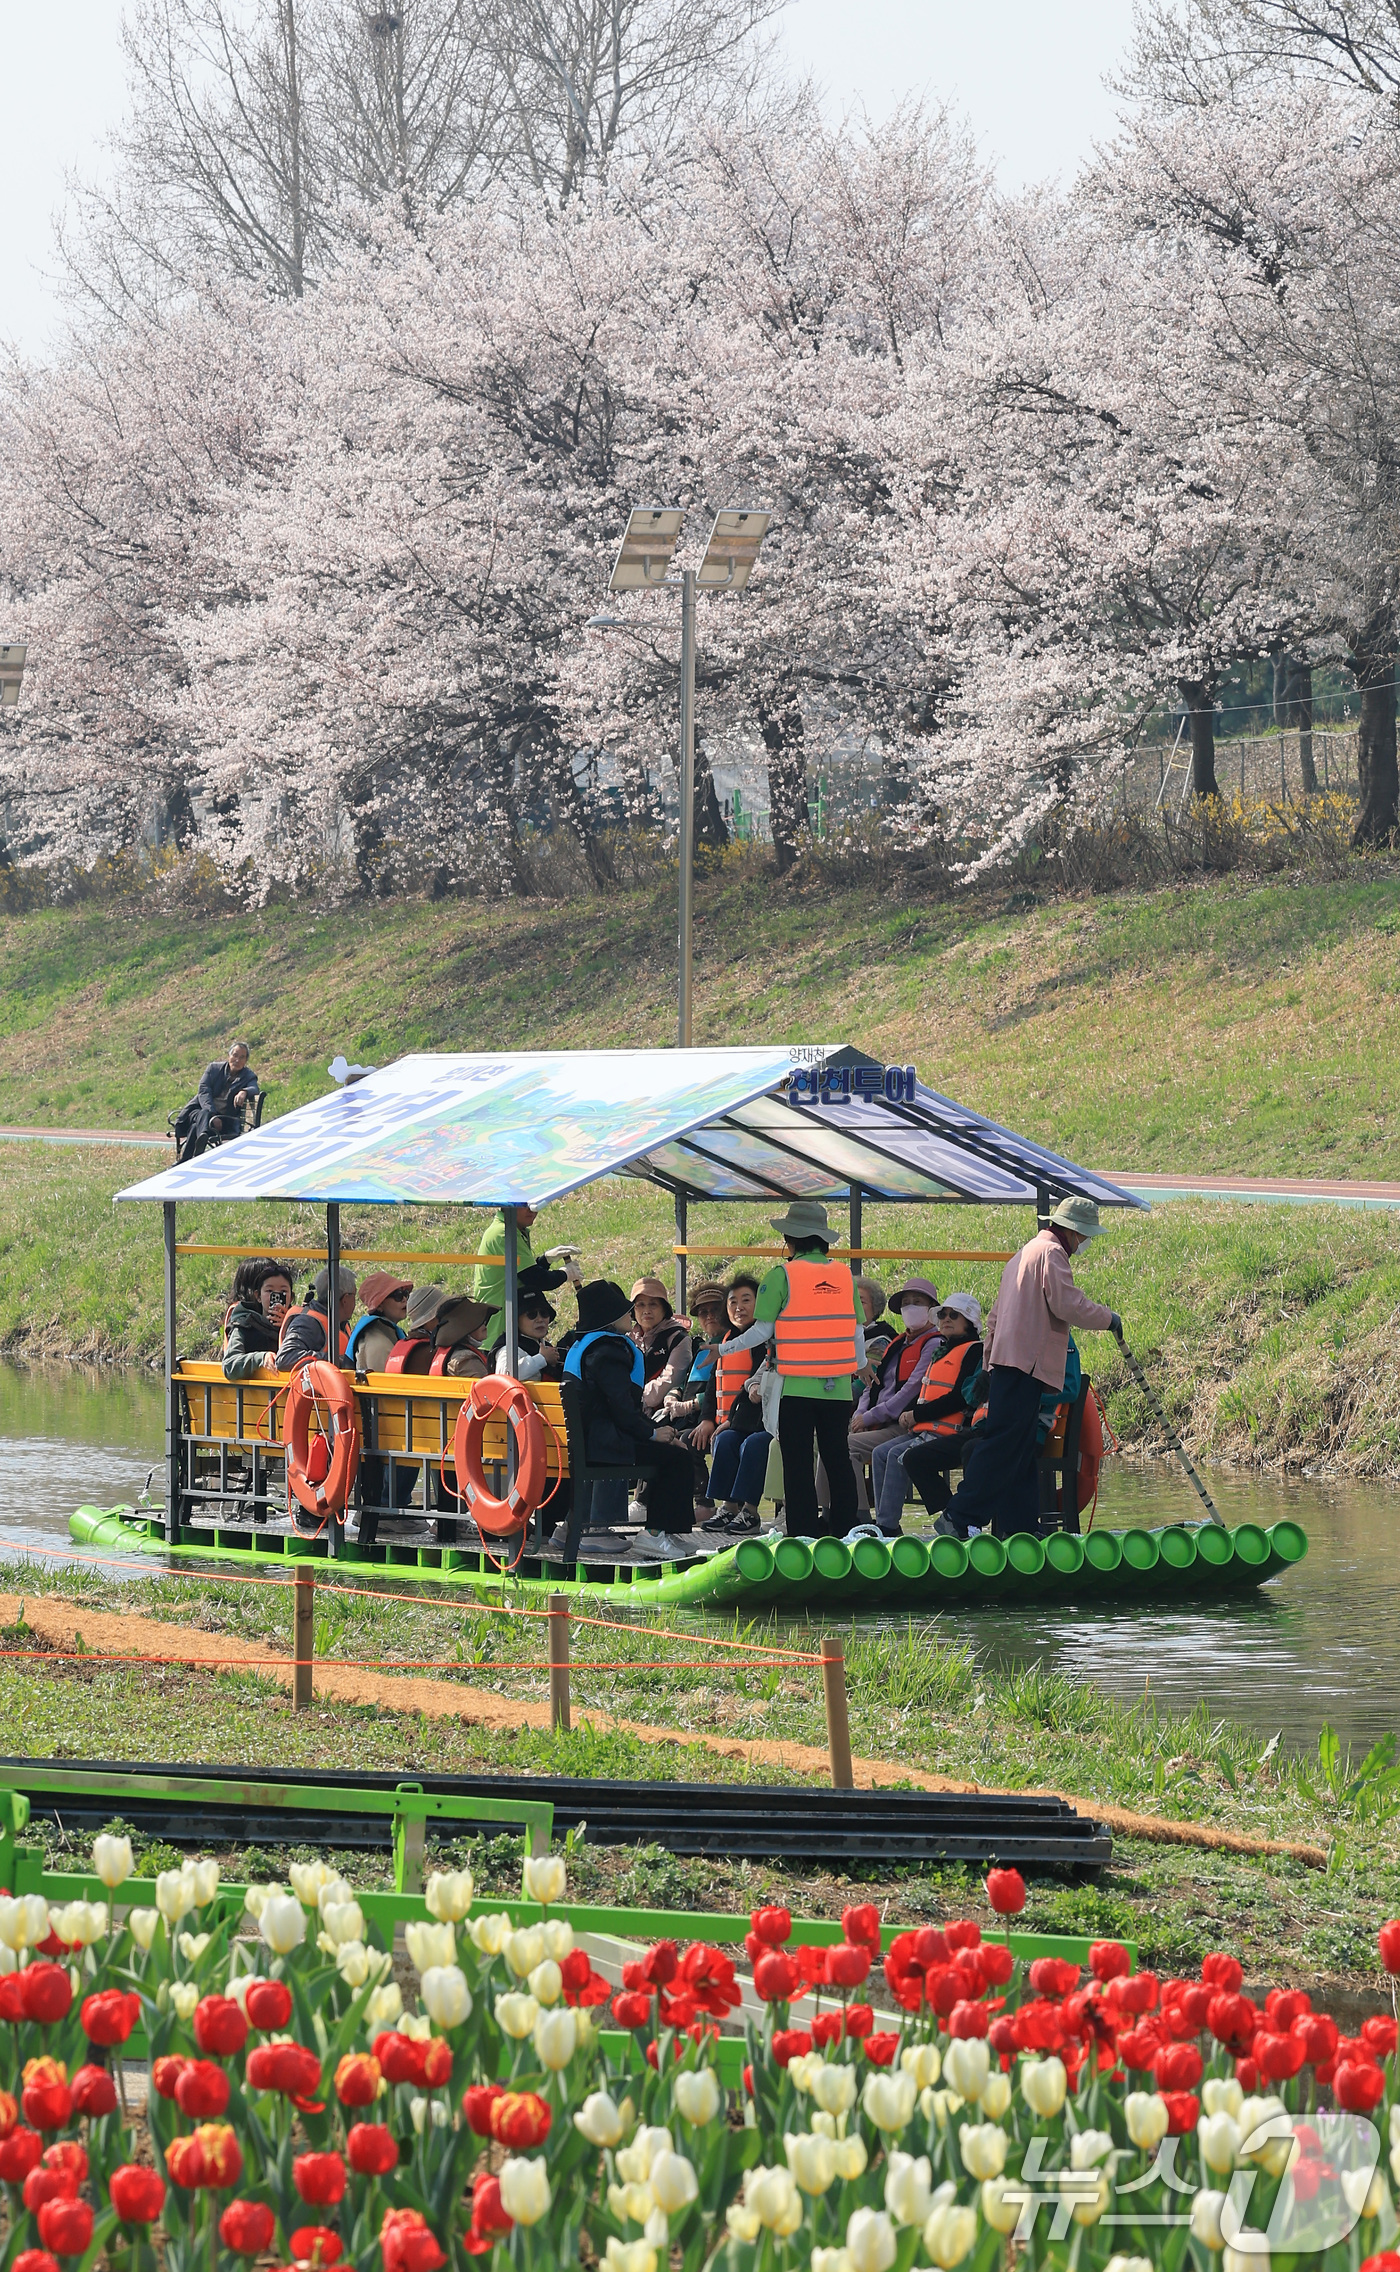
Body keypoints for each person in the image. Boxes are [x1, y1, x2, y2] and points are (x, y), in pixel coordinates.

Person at [935, 1197, 1119, 1540]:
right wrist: (1109, 1318)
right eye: (1084, 1235)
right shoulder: (1051, 1254)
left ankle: (1022, 1526)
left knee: (1017, 1448)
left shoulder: (1024, 1253)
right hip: (1026, 1364)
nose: (1084, 1242)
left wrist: (989, 1365)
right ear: (1074, 1231)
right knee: (1005, 1444)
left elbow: (993, 1319)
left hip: (1011, 1362)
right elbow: (1067, 1303)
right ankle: (958, 1515)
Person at [753, 1200, 866, 1541]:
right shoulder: (844, 1275)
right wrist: (860, 1366)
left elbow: (763, 1330)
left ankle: (802, 1534)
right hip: (838, 1388)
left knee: (798, 1464)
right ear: (824, 1239)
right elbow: (857, 1330)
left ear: (790, 1238)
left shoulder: (781, 1275)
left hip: (795, 1386)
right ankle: (847, 1532)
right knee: (838, 1458)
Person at [562, 1279, 698, 1557]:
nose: (631, 1315)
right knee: (677, 1457)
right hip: (604, 1445)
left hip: (585, 1442)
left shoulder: (581, 1345)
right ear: (610, 1317)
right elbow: (622, 1408)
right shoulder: (608, 1351)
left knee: (670, 1450)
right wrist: (653, 1433)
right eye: (626, 1310)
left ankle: (566, 1529)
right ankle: (656, 1533)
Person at [881, 1295, 985, 1534]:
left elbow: (959, 1397)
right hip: (928, 1426)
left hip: (954, 1430)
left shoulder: (974, 1350)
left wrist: (917, 1415)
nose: (946, 1319)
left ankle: (951, 1514)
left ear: (969, 1321)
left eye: (953, 1315)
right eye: (942, 1314)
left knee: (900, 1455)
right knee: (880, 1454)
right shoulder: (943, 1350)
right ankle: (886, 1525)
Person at [842, 1277, 944, 1514]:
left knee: (843, 1447)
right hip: (877, 1422)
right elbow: (871, 1384)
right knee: (836, 1443)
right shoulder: (898, 1343)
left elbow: (910, 1389)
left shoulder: (933, 1343)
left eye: (917, 1302)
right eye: (906, 1303)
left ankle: (858, 1516)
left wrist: (868, 1418)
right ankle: (831, 1512)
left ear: (932, 1309)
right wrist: (860, 1414)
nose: (910, 1307)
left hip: (902, 1423)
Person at [700, 1274, 772, 1534]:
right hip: (743, 1420)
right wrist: (711, 1420)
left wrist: (732, 1418)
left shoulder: (767, 1339)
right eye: (732, 1302)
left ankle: (750, 1513)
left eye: (746, 1300)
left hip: (769, 1422)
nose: (738, 1307)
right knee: (727, 1439)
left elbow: (754, 1384)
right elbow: (712, 1387)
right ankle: (729, 1507)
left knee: (754, 1444)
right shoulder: (726, 1341)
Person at [659, 1282, 731, 1514]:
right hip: (686, 1417)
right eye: (703, 1312)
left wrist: (691, 1406)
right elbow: (683, 1379)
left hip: (712, 1417)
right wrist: (673, 1396)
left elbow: (722, 1389)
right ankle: (650, 1501)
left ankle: (704, 1503)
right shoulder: (700, 1347)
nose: (709, 1316)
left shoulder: (732, 1344)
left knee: (690, 1440)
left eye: (715, 1310)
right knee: (657, 1436)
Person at [472, 1207, 582, 1351]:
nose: (532, 1211)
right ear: (508, 1206)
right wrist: (565, 1274)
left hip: (508, 1326)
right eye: (524, 1205)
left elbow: (521, 1272)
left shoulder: (513, 1229)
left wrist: (545, 1260)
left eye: (535, 1205)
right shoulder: (503, 1233)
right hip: (498, 1328)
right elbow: (535, 1278)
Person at [493, 1262, 569, 1381]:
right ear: (516, 1320)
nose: (540, 1319)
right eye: (531, 1315)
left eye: (544, 1313)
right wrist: (542, 1359)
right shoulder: (509, 1348)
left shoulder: (544, 1347)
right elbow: (505, 1375)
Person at [221, 1257, 291, 1381]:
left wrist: (289, 1327)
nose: (276, 1295)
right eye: (269, 1290)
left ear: (291, 1296)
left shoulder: (299, 1322)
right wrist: (261, 1358)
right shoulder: (244, 1322)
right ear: (257, 1294)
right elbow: (229, 1366)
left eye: (283, 1291)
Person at [277, 1264, 356, 1368]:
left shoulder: (340, 1322)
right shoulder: (308, 1322)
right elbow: (285, 1357)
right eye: (354, 1295)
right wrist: (335, 1360)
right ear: (345, 1299)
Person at [631, 1279, 693, 1412]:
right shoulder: (628, 1339)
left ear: (664, 1309)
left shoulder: (678, 1339)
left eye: (653, 1304)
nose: (646, 1310)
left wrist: (631, 1399)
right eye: (640, 1305)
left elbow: (669, 1381)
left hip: (661, 1415)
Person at [190, 1042, 261, 1154]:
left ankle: (187, 1157)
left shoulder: (248, 1076)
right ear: (229, 1056)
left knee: (196, 1126)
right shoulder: (213, 1069)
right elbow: (204, 1091)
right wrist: (213, 1115)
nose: (237, 1060)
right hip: (203, 1113)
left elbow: (254, 1087)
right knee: (203, 1114)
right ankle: (201, 1138)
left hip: (224, 1122)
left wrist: (244, 1091)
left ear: (246, 1061)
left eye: (242, 1057)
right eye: (235, 1055)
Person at [346, 1273, 413, 1374]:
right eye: (398, 1295)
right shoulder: (377, 1342)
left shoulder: (386, 1332)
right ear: (379, 1305)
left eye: (405, 1293)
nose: (404, 1299)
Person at [856, 1278, 896, 1363]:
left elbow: (869, 1373)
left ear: (875, 1309)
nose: (854, 1305)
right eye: (850, 1300)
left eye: (861, 1302)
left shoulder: (880, 1341)